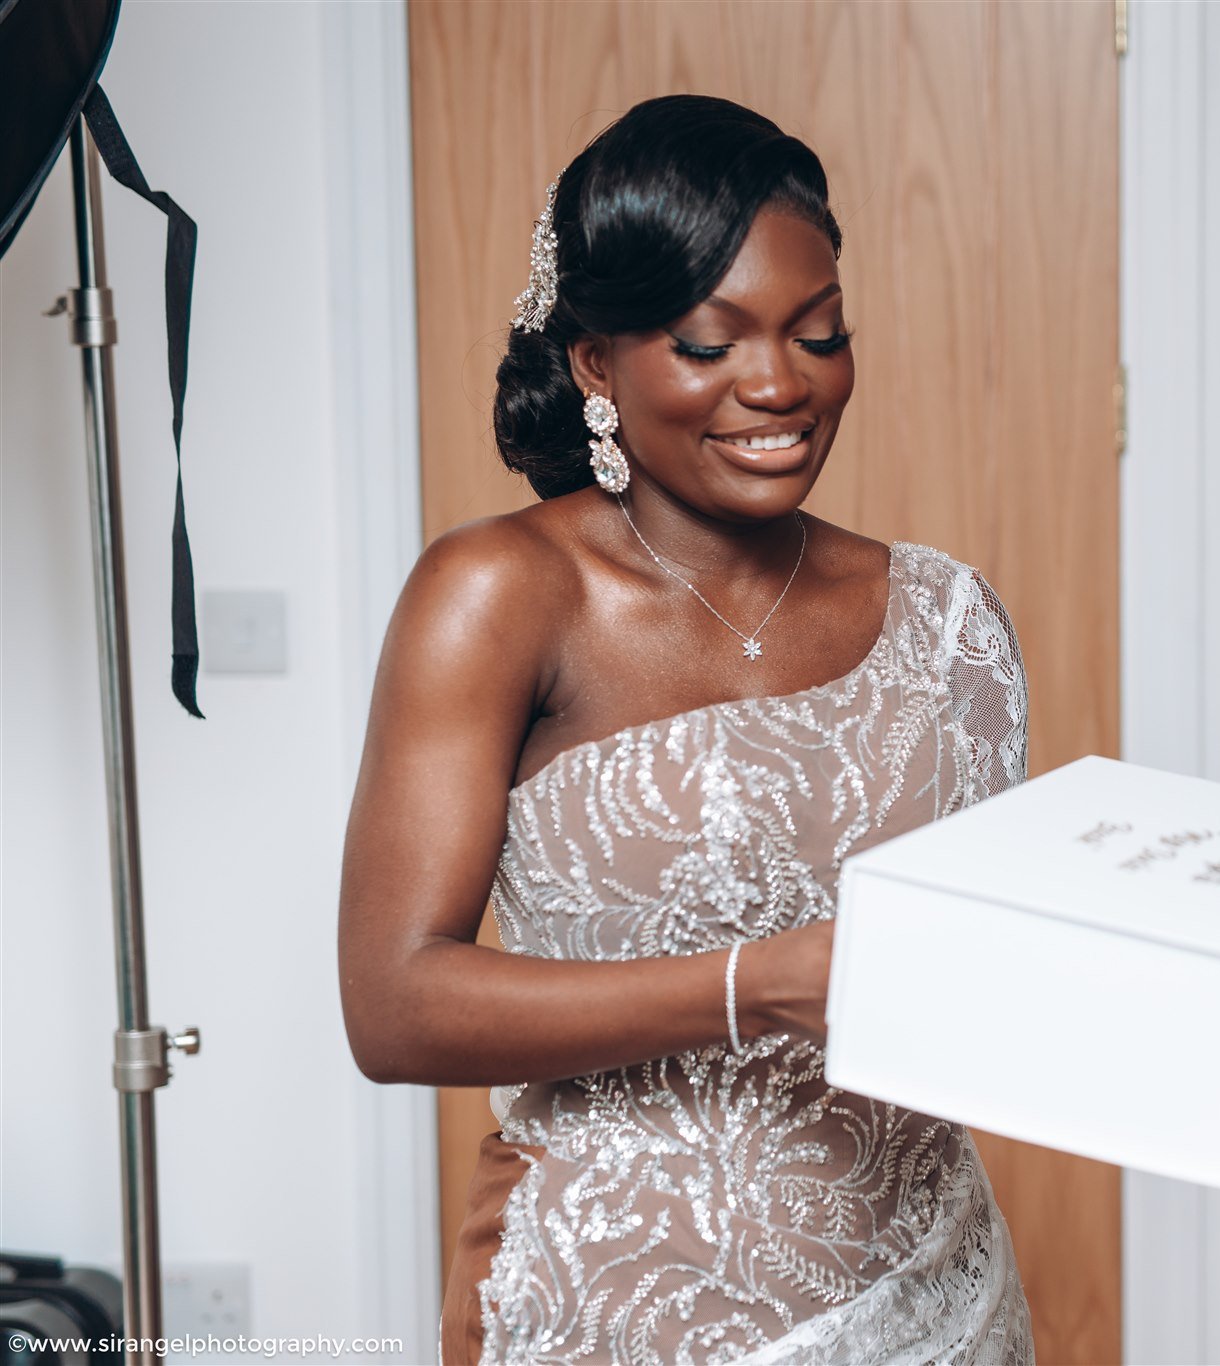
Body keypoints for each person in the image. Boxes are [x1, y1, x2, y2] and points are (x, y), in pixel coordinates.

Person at [337, 95, 1033, 1365]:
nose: (778, 384)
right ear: (596, 363)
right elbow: (393, 1004)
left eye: (817, 333)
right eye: (709, 346)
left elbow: (985, 979)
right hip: (616, 1304)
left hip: (935, 1296)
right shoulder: (498, 596)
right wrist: (751, 986)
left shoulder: (946, 620)